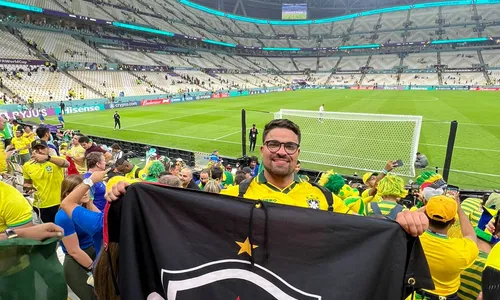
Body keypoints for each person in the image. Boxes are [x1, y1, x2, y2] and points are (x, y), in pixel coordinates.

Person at [106, 119, 429, 237]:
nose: (281, 151)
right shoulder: (234, 192)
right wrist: (131, 189)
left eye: (289, 146)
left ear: (298, 153)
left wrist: (403, 223)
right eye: (274, 144)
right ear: (262, 150)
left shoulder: (329, 200)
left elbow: (368, 232)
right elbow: (179, 210)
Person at [417, 195, 479, 299]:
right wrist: (458, 208)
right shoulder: (461, 250)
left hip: (412, 292)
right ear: (453, 221)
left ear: (425, 214)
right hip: (445, 296)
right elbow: (471, 236)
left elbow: (398, 221)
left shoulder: (411, 237)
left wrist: (430, 206)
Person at [55, 175, 98, 300]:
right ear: (68, 194)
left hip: (93, 253)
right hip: (76, 262)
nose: (85, 192)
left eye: (86, 188)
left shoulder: (84, 207)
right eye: (80, 190)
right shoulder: (63, 217)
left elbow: (101, 225)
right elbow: (74, 251)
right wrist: (95, 268)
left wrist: (89, 202)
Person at [23, 140, 69, 223]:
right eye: (36, 149)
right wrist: (28, 188)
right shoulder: (27, 166)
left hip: (59, 202)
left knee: (63, 228)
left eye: (42, 148)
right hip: (40, 204)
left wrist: (47, 158)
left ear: (48, 149)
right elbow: (26, 183)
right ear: (32, 151)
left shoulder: (55, 160)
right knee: (49, 230)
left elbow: (66, 164)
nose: (40, 151)